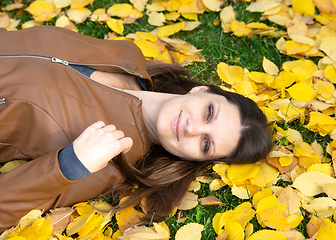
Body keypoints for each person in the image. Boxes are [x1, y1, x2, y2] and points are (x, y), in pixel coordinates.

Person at [0, 26, 272, 232]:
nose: (192, 128)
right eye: (209, 113)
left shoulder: (111, 161)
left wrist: (69, 165)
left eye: (205, 143)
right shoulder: (127, 56)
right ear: (200, 90)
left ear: (194, 160)